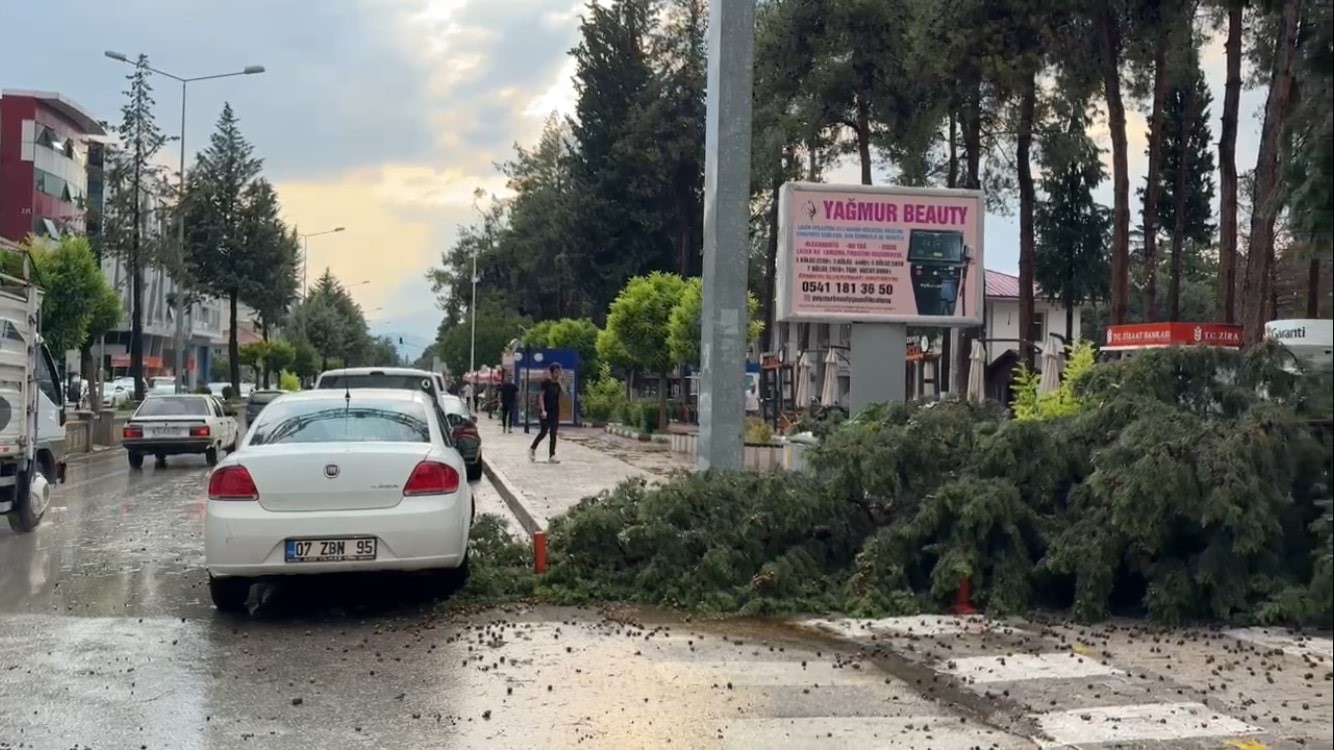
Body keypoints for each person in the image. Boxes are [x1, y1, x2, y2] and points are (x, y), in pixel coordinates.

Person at [528, 363, 563, 463]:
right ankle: (532, 449)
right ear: (552, 373)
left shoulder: (557, 385)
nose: (558, 374)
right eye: (556, 372)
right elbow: (541, 396)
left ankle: (552, 454)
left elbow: (562, 395)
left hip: (554, 411)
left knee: (553, 433)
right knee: (543, 432)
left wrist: (560, 383)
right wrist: (543, 410)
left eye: (559, 372)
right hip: (545, 411)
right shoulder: (545, 383)